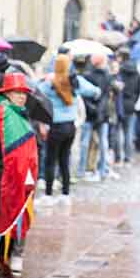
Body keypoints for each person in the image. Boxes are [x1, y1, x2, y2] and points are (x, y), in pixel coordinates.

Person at [0, 73, 38, 278]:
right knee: (1, 216)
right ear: (6, 93)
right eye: (17, 92)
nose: (22, 97)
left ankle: (4, 259)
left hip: (21, 178)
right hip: (5, 178)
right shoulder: (0, 114)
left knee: (16, 216)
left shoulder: (20, 115)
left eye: (24, 93)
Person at [38, 54, 100, 203]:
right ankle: (65, 194)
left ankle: (48, 195)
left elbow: (35, 90)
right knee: (64, 159)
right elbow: (95, 91)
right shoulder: (75, 81)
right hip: (70, 127)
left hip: (55, 127)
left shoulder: (50, 83)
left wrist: (44, 78)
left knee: (50, 161)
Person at [78, 54, 113, 181]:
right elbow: (106, 96)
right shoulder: (107, 76)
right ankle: (102, 169)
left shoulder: (87, 75)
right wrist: (99, 111)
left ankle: (82, 170)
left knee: (85, 143)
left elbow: (84, 96)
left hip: (91, 113)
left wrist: (93, 108)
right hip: (101, 113)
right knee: (102, 143)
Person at [115, 49, 140, 166]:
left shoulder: (119, 71)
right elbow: (139, 90)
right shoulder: (136, 72)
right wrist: (134, 101)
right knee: (128, 133)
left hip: (119, 104)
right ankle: (128, 157)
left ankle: (117, 158)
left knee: (116, 132)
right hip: (131, 104)